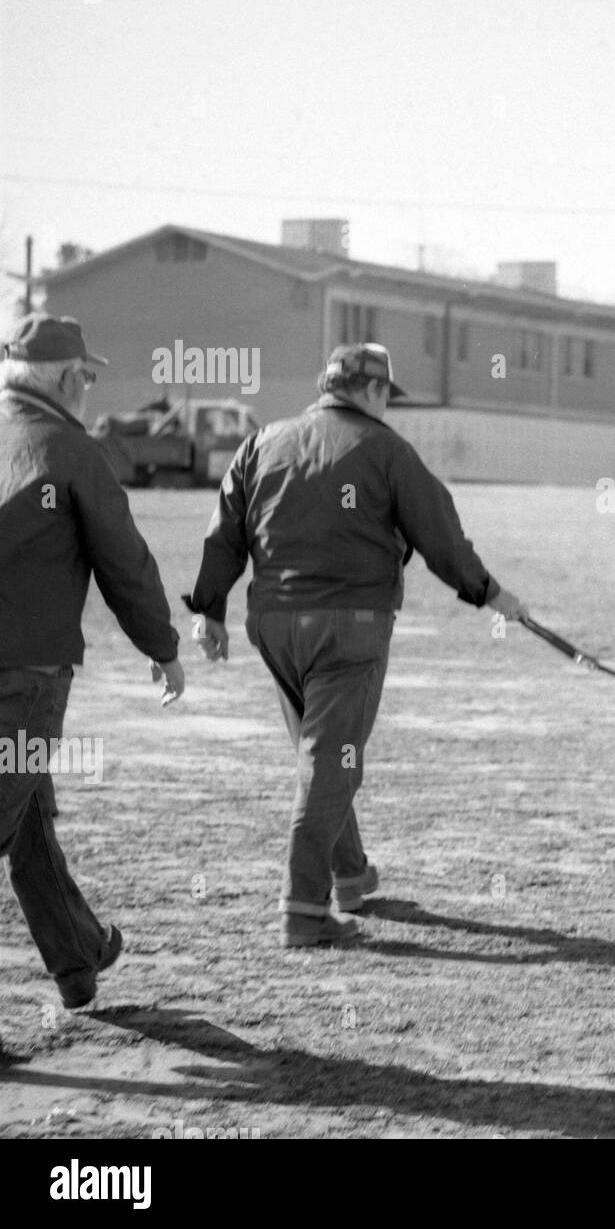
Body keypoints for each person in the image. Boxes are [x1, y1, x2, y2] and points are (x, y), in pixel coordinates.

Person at [183, 342, 529, 948]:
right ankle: (303, 910)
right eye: (386, 395)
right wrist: (489, 593)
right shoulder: (386, 449)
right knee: (329, 763)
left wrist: (209, 609)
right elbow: (440, 536)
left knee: (322, 754)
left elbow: (224, 534)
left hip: (273, 624)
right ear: (373, 391)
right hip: (350, 626)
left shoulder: (263, 443)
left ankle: (349, 875)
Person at [0, 314, 185, 1009]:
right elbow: (124, 562)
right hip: (24, 676)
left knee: (25, 818)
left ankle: (77, 958)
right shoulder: (70, 451)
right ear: (66, 378)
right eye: (87, 375)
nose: (91, 387)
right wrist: (162, 649)